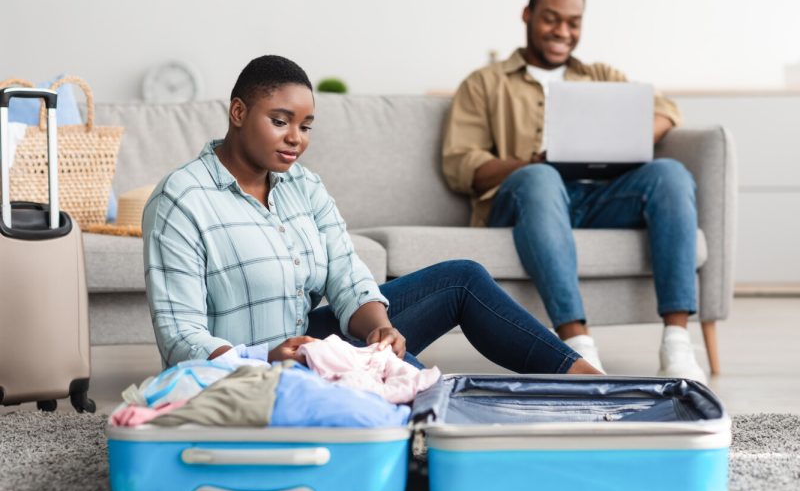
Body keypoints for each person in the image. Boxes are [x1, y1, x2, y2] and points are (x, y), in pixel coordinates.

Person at [143, 54, 600, 377]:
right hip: (243, 370)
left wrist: (379, 327)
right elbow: (180, 334)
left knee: (461, 279)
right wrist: (265, 359)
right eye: (280, 121)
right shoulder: (183, 200)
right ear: (238, 112)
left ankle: (591, 382)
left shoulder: (304, 185)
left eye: (305, 127)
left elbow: (346, 275)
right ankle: (436, 420)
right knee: (404, 383)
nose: (295, 139)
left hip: (308, 346)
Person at [442, 0, 707, 383]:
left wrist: (623, 141)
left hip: (596, 199)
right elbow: (462, 167)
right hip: (525, 201)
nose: (562, 31)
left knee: (670, 173)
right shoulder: (484, 83)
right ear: (527, 15)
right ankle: (577, 344)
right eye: (551, 19)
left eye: (573, 22)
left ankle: (676, 341)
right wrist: (536, 160)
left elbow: (668, 110)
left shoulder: (600, 75)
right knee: (541, 178)